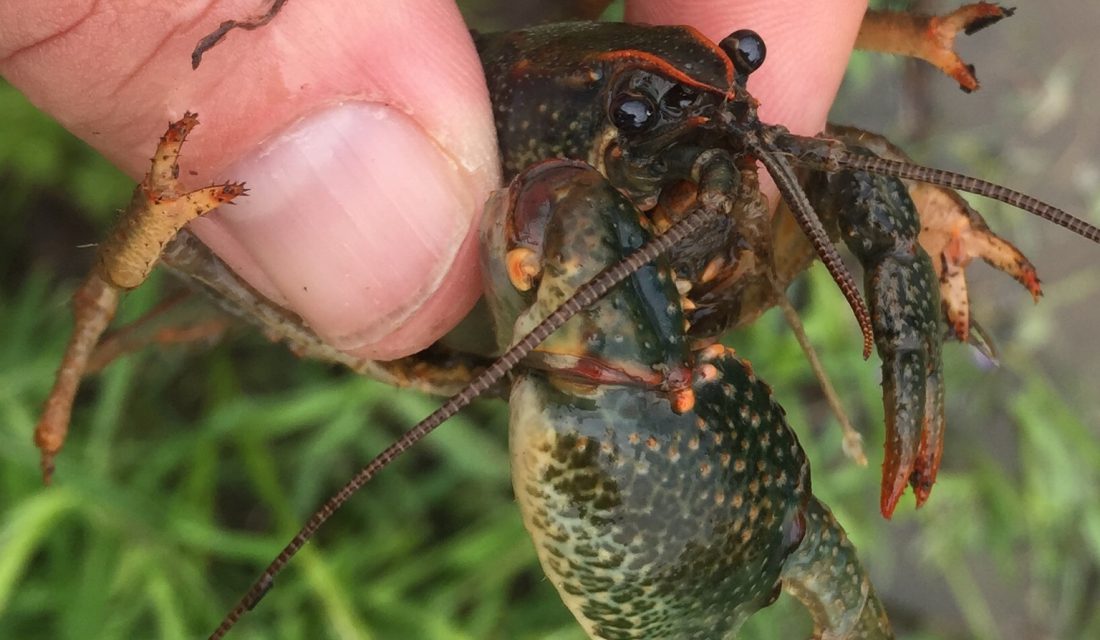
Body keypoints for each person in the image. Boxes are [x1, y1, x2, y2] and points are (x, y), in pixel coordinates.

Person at [0, 0, 867, 360]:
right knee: (177, 254)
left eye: (739, 60)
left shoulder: (693, 153)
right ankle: (90, 347)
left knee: (839, 160)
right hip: (343, 226)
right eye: (636, 118)